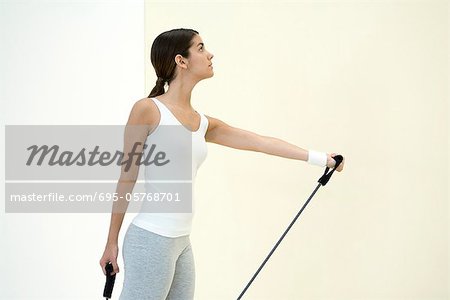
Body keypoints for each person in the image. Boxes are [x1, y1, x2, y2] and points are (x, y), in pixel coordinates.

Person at [99, 28, 345, 300]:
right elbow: (126, 178)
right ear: (181, 61)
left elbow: (259, 142)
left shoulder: (203, 123)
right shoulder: (147, 110)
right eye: (201, 48)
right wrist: (111, 242)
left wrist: (322, 159)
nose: (210, 54)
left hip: (182, 243)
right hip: (151, 239)